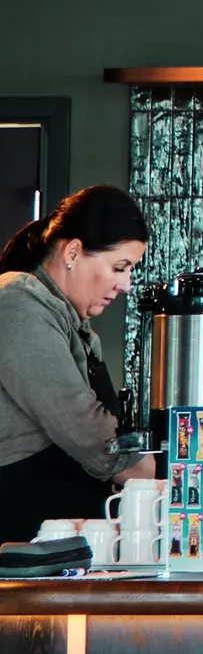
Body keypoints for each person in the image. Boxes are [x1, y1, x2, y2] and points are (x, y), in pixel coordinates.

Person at [0, 185, 152, 543]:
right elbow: (83, 427)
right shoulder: (17, 300)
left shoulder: (67, 319)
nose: (126, 285)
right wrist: (151, 473)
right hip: (21, 543)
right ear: (73, 251)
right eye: (120, 267)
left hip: (56, 545)